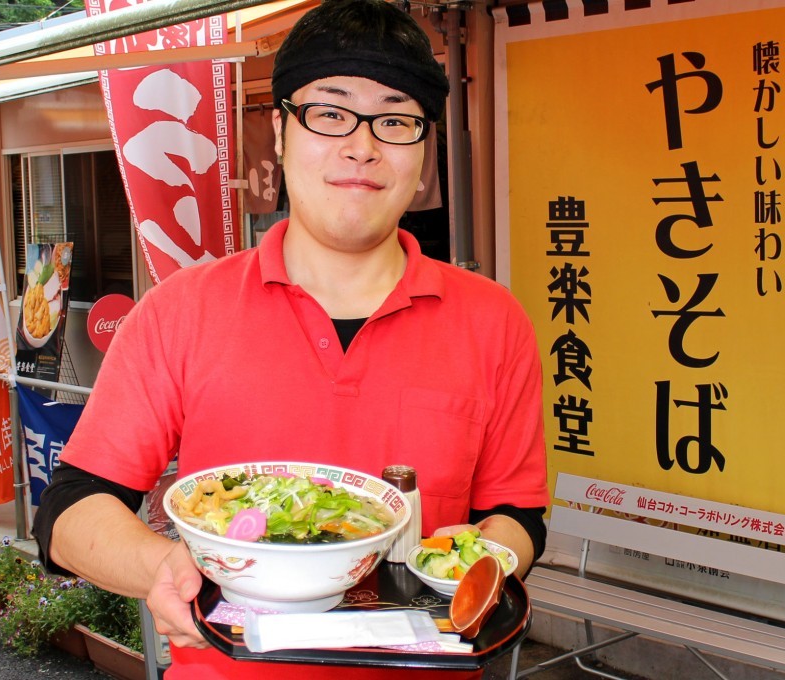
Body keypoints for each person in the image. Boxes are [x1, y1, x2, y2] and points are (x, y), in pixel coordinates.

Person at [32, 0, 549, 678]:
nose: (361, 146)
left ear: (424, 152)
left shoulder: (493, 320)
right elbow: (70, 510)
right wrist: (163, 566)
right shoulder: (181, 311)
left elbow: (516, 513)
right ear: (278, 131)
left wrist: (476, 566)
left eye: (396, 121)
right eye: (329, 114)